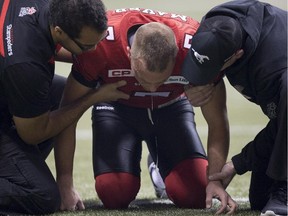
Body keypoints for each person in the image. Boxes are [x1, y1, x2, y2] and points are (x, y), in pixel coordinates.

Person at [55, 8, 237, 214]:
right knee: (114, 194)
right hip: (117, 108)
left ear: (178, 54)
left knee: (195, 195)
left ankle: (159, 166)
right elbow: (67, 114)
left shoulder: (195, 48)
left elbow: (218, 120)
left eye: (162, 81)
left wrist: (215, 180)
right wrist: (64, 183)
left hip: (172, 108)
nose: (151, 89)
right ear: (128, 52)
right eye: (141, 78)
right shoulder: (102, 41)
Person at [0, 0, 129, 214]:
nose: (95, 50)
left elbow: (65, 48)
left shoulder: (50, 10)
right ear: (59, 31)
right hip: (14, 79)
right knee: (42, 195)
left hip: (9, 76)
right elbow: (34, 133)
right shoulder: (26, 66)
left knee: (59, 93)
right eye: (87, 46)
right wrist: (92, 97)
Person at [181, 0, 287, 215]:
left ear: (237, 55)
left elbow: (283, 125)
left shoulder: (273, 68)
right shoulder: (217, 26)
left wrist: (238, 163)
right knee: (260, 199)